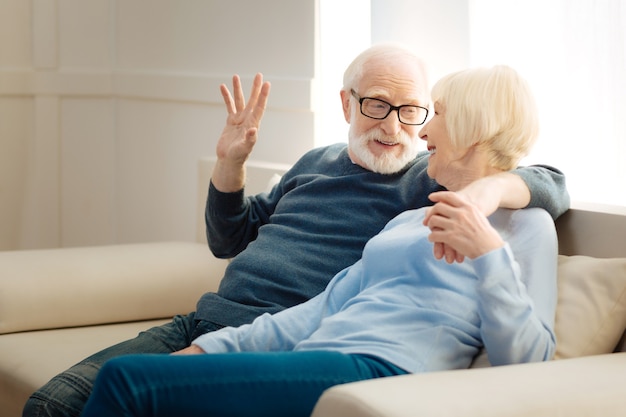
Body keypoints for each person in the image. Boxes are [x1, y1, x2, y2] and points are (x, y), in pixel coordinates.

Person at [24, 43, 568, 417]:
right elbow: (256, 257)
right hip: (222, 324)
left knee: (125, 386)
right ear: (346, 104)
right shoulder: (373, 198)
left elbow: (545, 182)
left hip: (346, 360)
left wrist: (486, 206)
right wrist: (229, 166)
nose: (406, 128)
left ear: (468, 125)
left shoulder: (425, 186)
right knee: (53, 403)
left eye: (420, 111)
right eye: (378, 105)